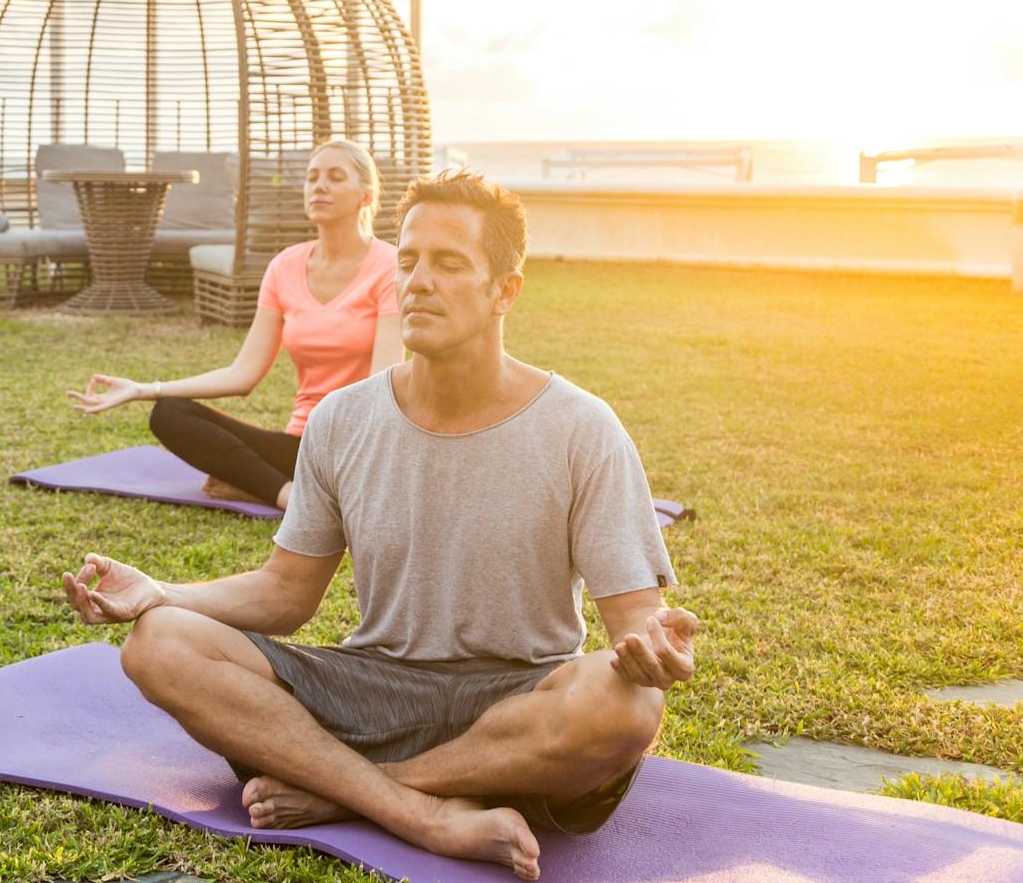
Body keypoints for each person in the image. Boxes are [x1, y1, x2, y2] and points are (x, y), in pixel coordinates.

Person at [62, 171, 696, 881]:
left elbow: (637, 625)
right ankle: (417, 812)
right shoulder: (342, 419)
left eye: (450, 263)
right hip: (369, 686)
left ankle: (346, 791)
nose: (418, 282)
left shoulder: (583, 428)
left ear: (504, 291)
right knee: (159, 644)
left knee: (628, 706)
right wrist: (162, 592)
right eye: (408, 260)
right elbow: (284, 595)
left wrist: (653, 653)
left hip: (518, 701)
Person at [69, 138, 401, 508]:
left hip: (361, 446)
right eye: (312, 177)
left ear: (366, 197)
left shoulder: (390, 268)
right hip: (301, 447)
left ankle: (268, 486)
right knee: (171, 412)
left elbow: (380, 392)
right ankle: (289, 496)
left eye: (336, 177)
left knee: (357, 457)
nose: (319, 186)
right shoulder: (284, 267)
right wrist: (145, 389)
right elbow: (243, 374)